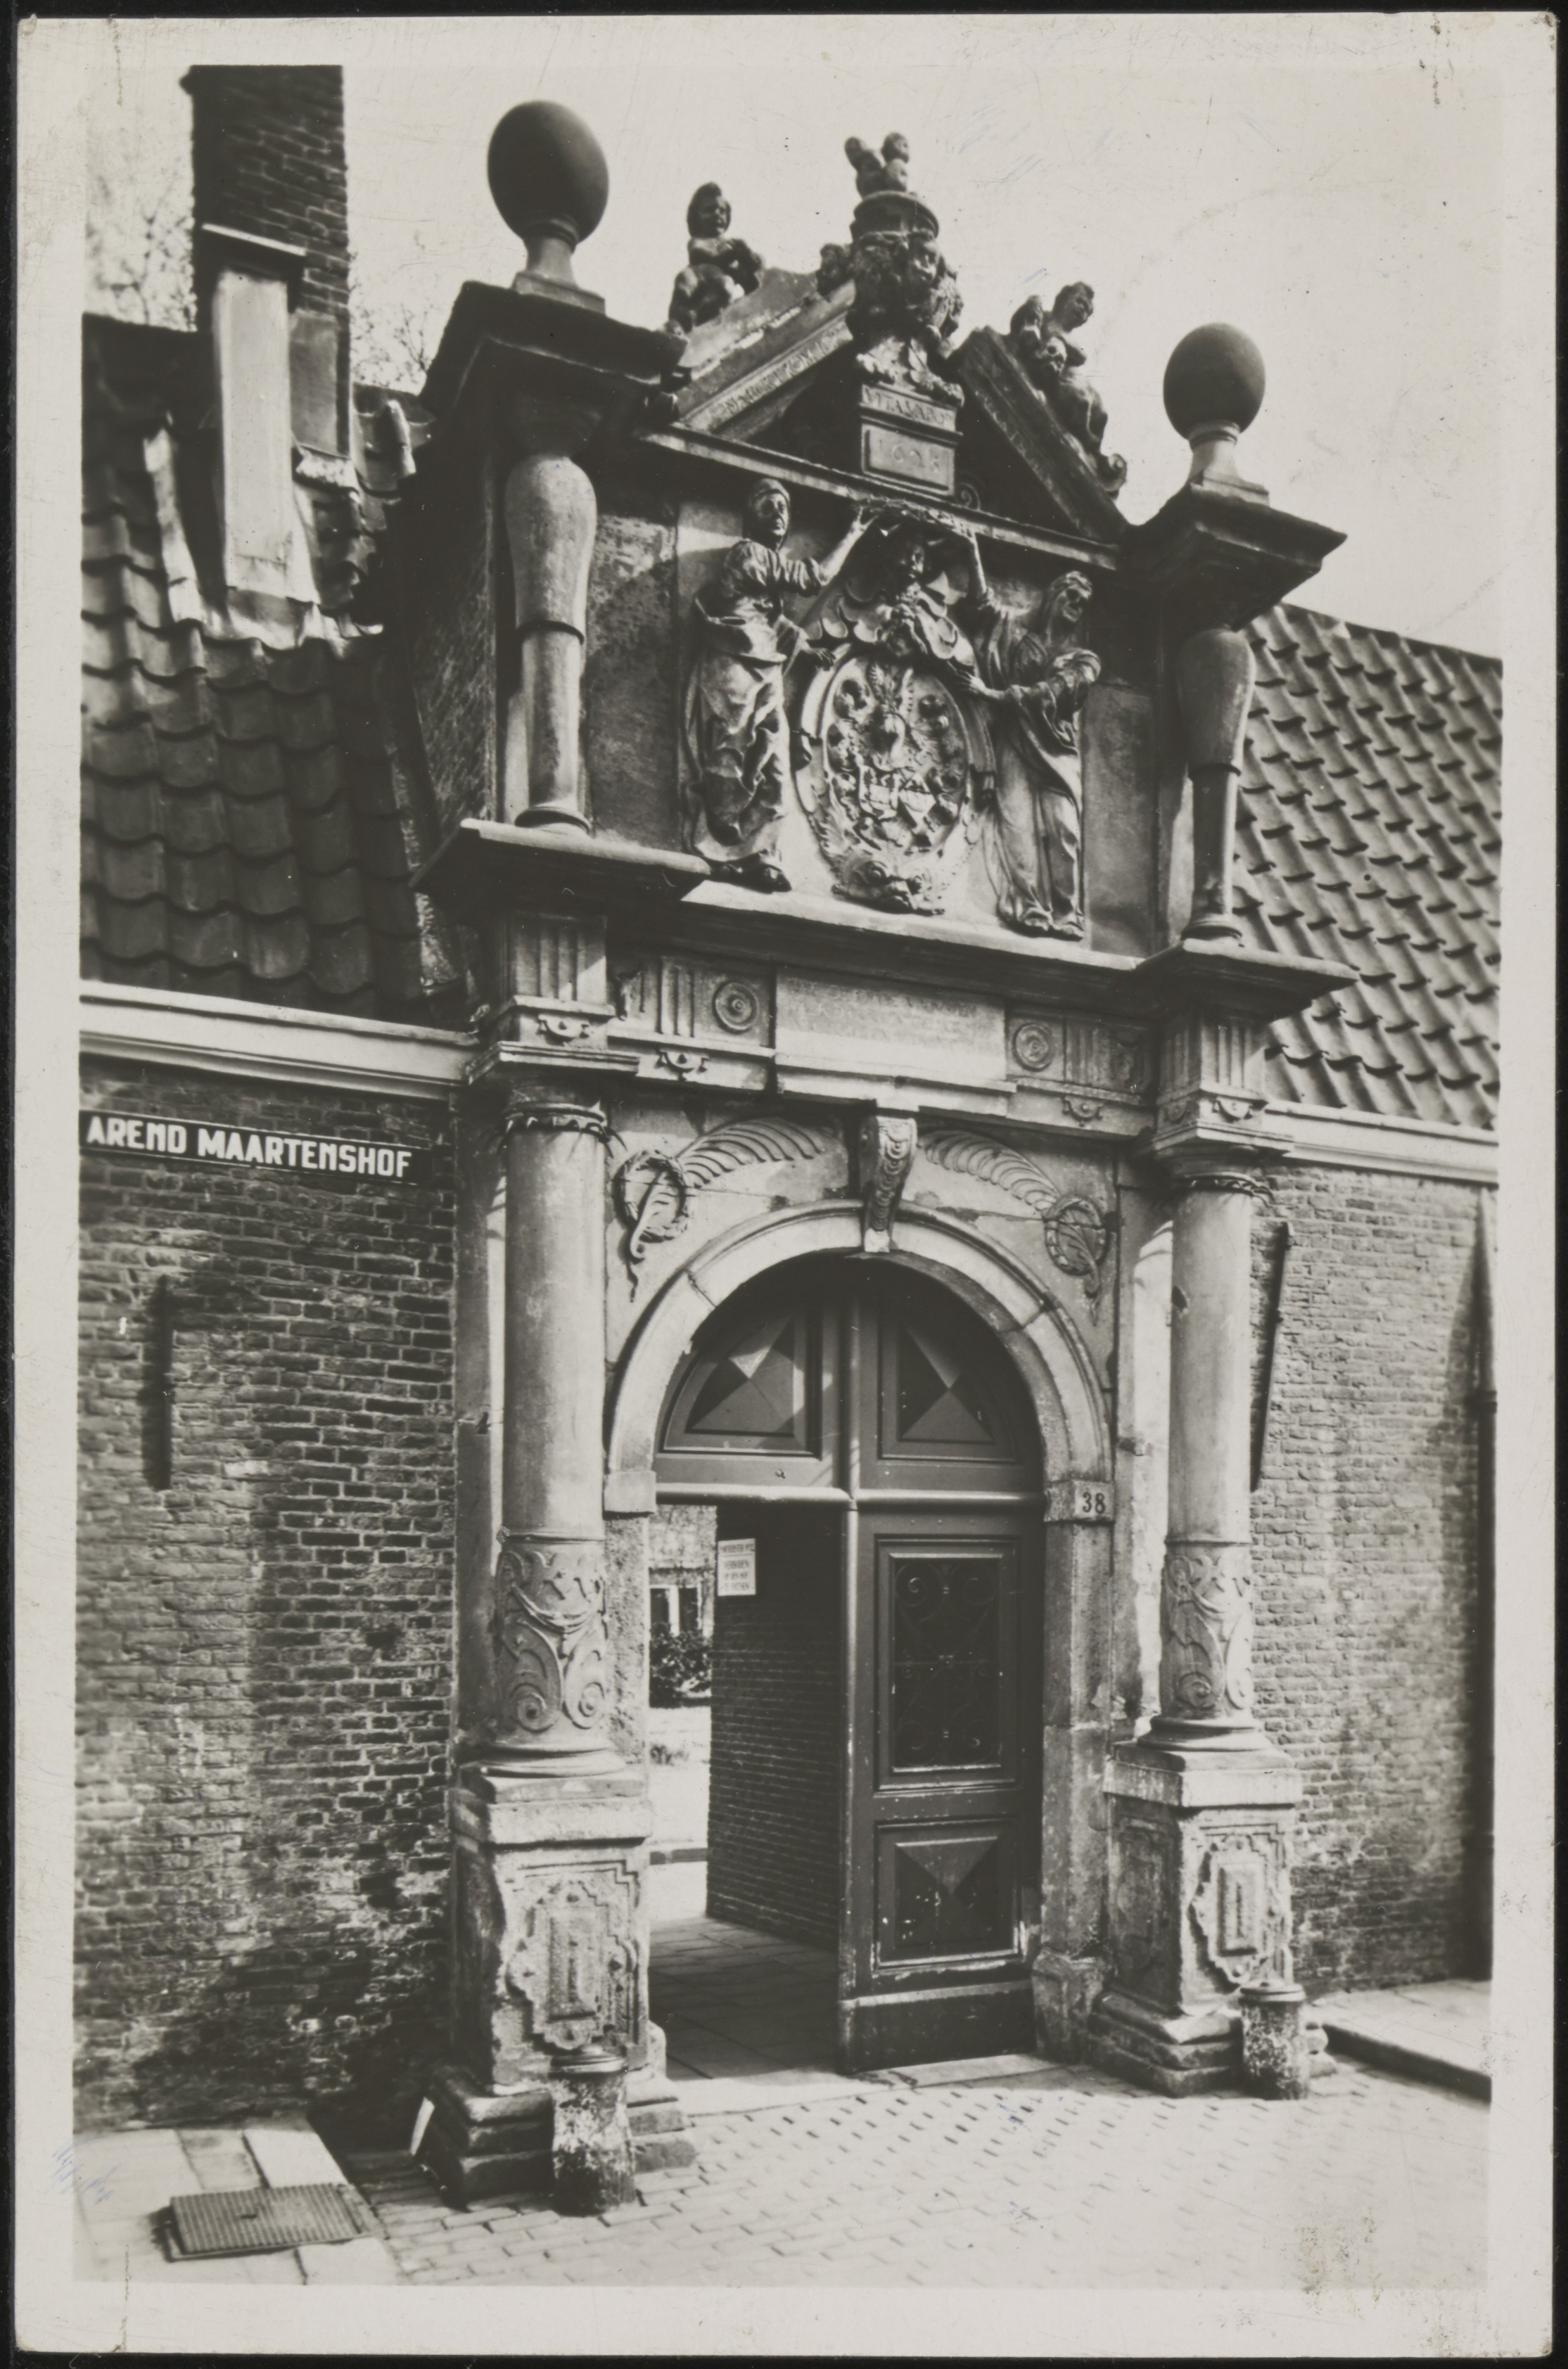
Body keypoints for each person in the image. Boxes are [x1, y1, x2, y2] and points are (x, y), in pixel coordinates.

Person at [683, 481, 871, 890]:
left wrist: (805, 649)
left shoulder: (764, 573)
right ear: (749, 519)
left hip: (765, 668)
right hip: (735, 662)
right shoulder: (749, 554)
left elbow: (770, 619)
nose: (778, 515)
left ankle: (762, 853)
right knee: (732, 747)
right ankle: (721, 838)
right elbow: (812, 578)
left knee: (774, 759)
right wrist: (852, 534)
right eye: (767, 507)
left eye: (783, 508)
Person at [961, 530, 1099, 938]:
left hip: (1056, 753)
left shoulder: (1083, 659)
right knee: (1016, 822)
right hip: (1013, 741)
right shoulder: (1016, 631)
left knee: (1064, 830)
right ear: (1053, 595)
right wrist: (972, 551)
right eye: (1071, 596)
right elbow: (983, 605)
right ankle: (1029, 907)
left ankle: (1066, 913)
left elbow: (1057, 691)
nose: (1076, 606)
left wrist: (993, 694)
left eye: (1083, 604)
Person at [665, 185, 763, 338]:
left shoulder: (730, 244)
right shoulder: (700, 241)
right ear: (696, 217)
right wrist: (732, 253)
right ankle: (681, 323)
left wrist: (749, 258)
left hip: (720, 286)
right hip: (700, 280)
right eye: (709, 210)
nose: (717, 214)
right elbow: (703, 255)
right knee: (687, 280)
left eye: (722, 211)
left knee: (730, 282)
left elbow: (741, 270)